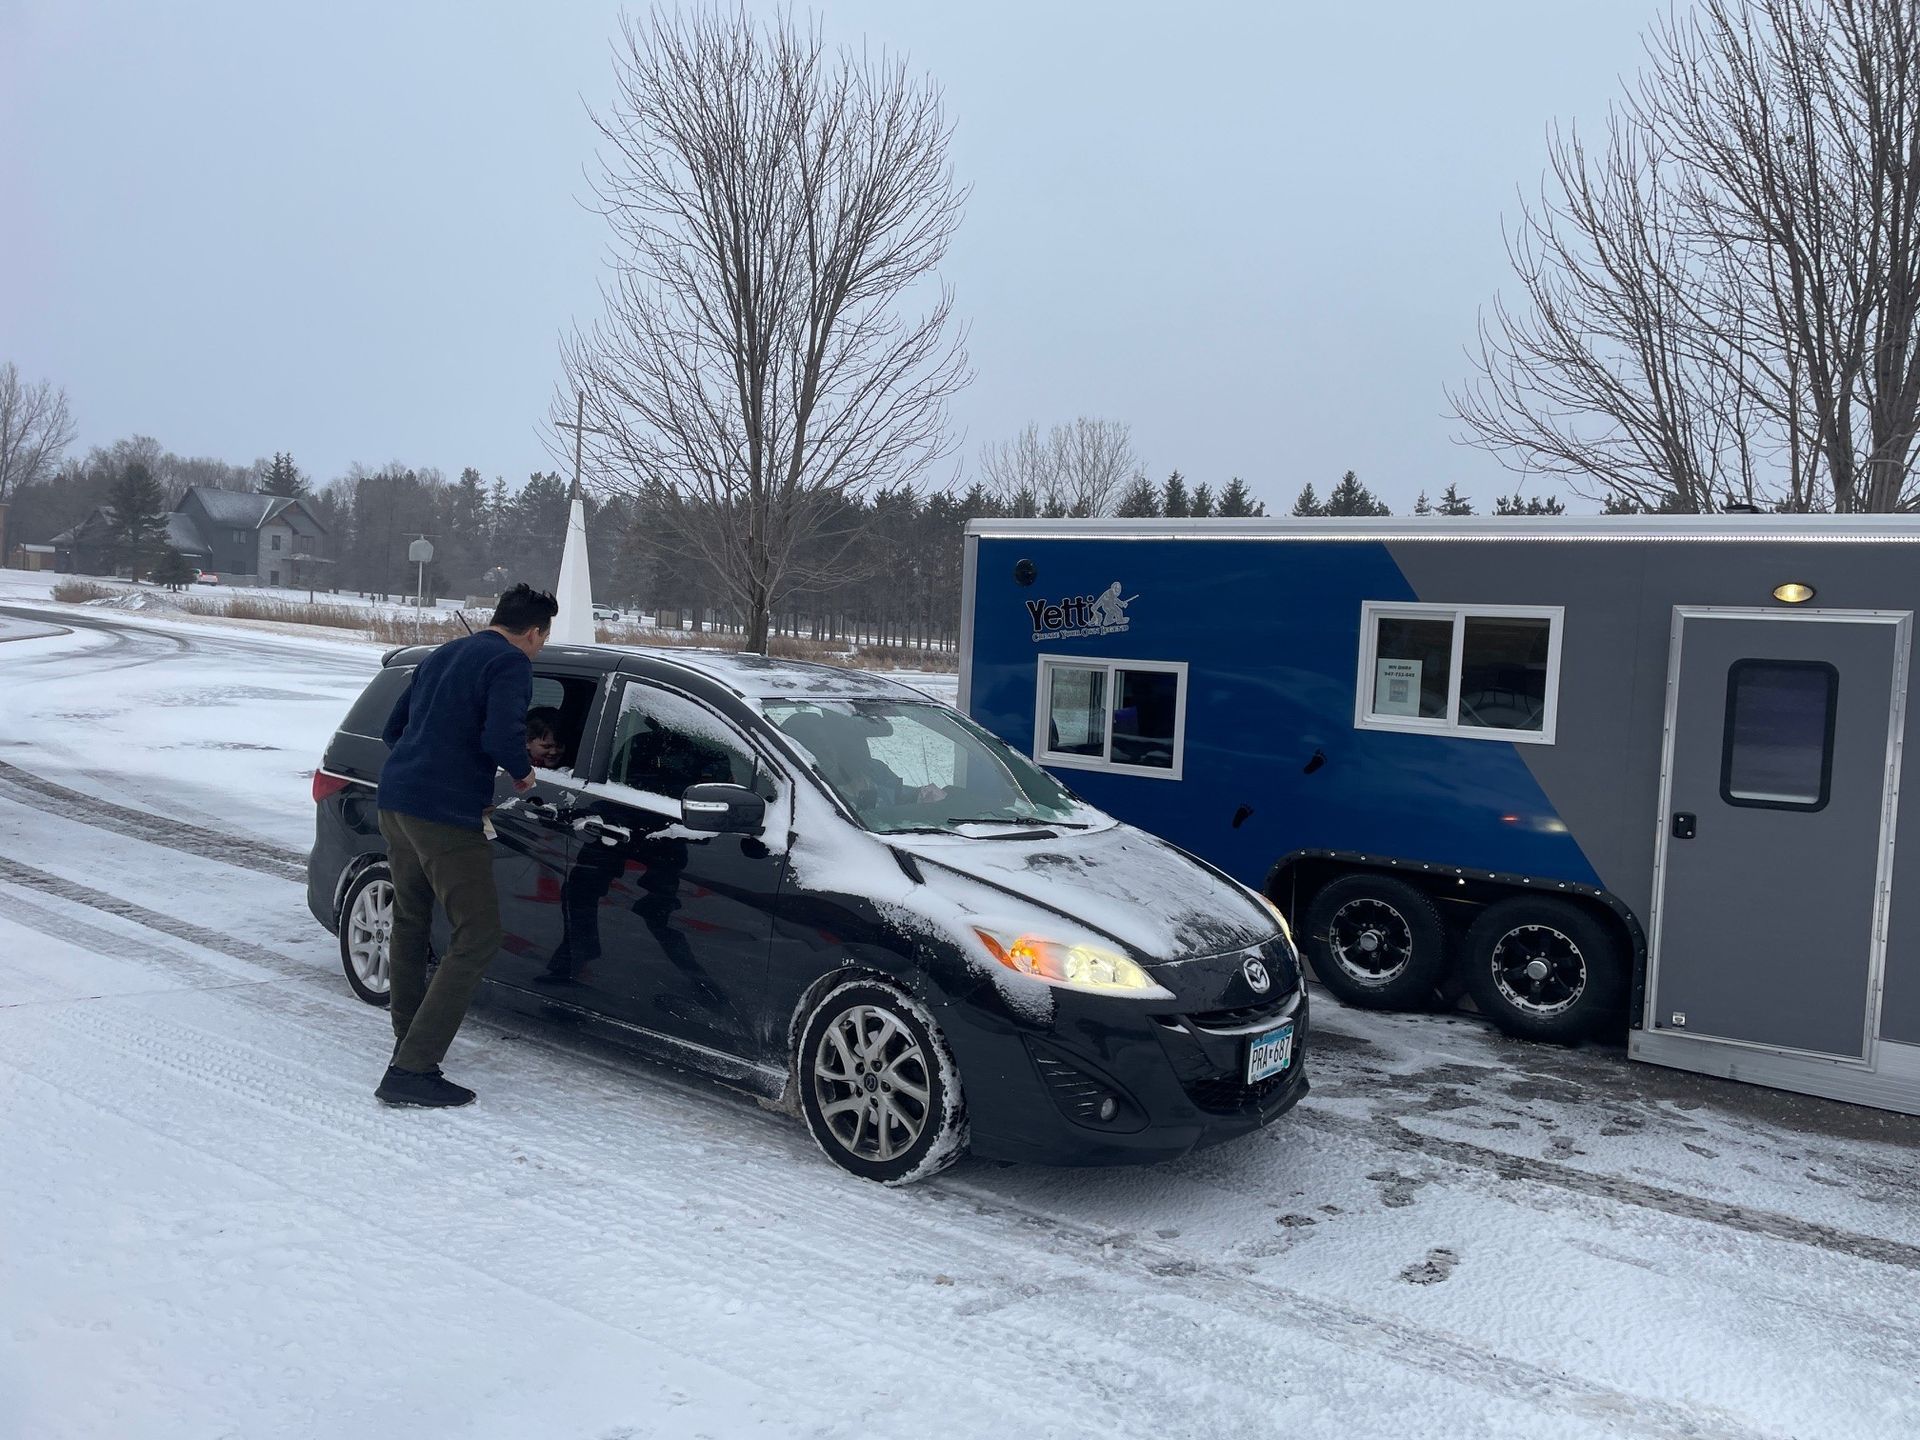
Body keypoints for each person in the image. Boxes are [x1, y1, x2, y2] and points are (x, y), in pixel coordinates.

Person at [373, 582, 559, 1107]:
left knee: (410, 921)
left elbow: (393, 729)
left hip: (396, 800)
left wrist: (430, 756)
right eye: (543, 640)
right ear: (533, 632)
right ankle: (413, 1067)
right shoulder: (510, 664)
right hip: (445, 814)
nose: (539, 649)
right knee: (478, 935)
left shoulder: (444, 652)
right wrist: (524, 777)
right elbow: (502, 740)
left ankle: (408, 1041)